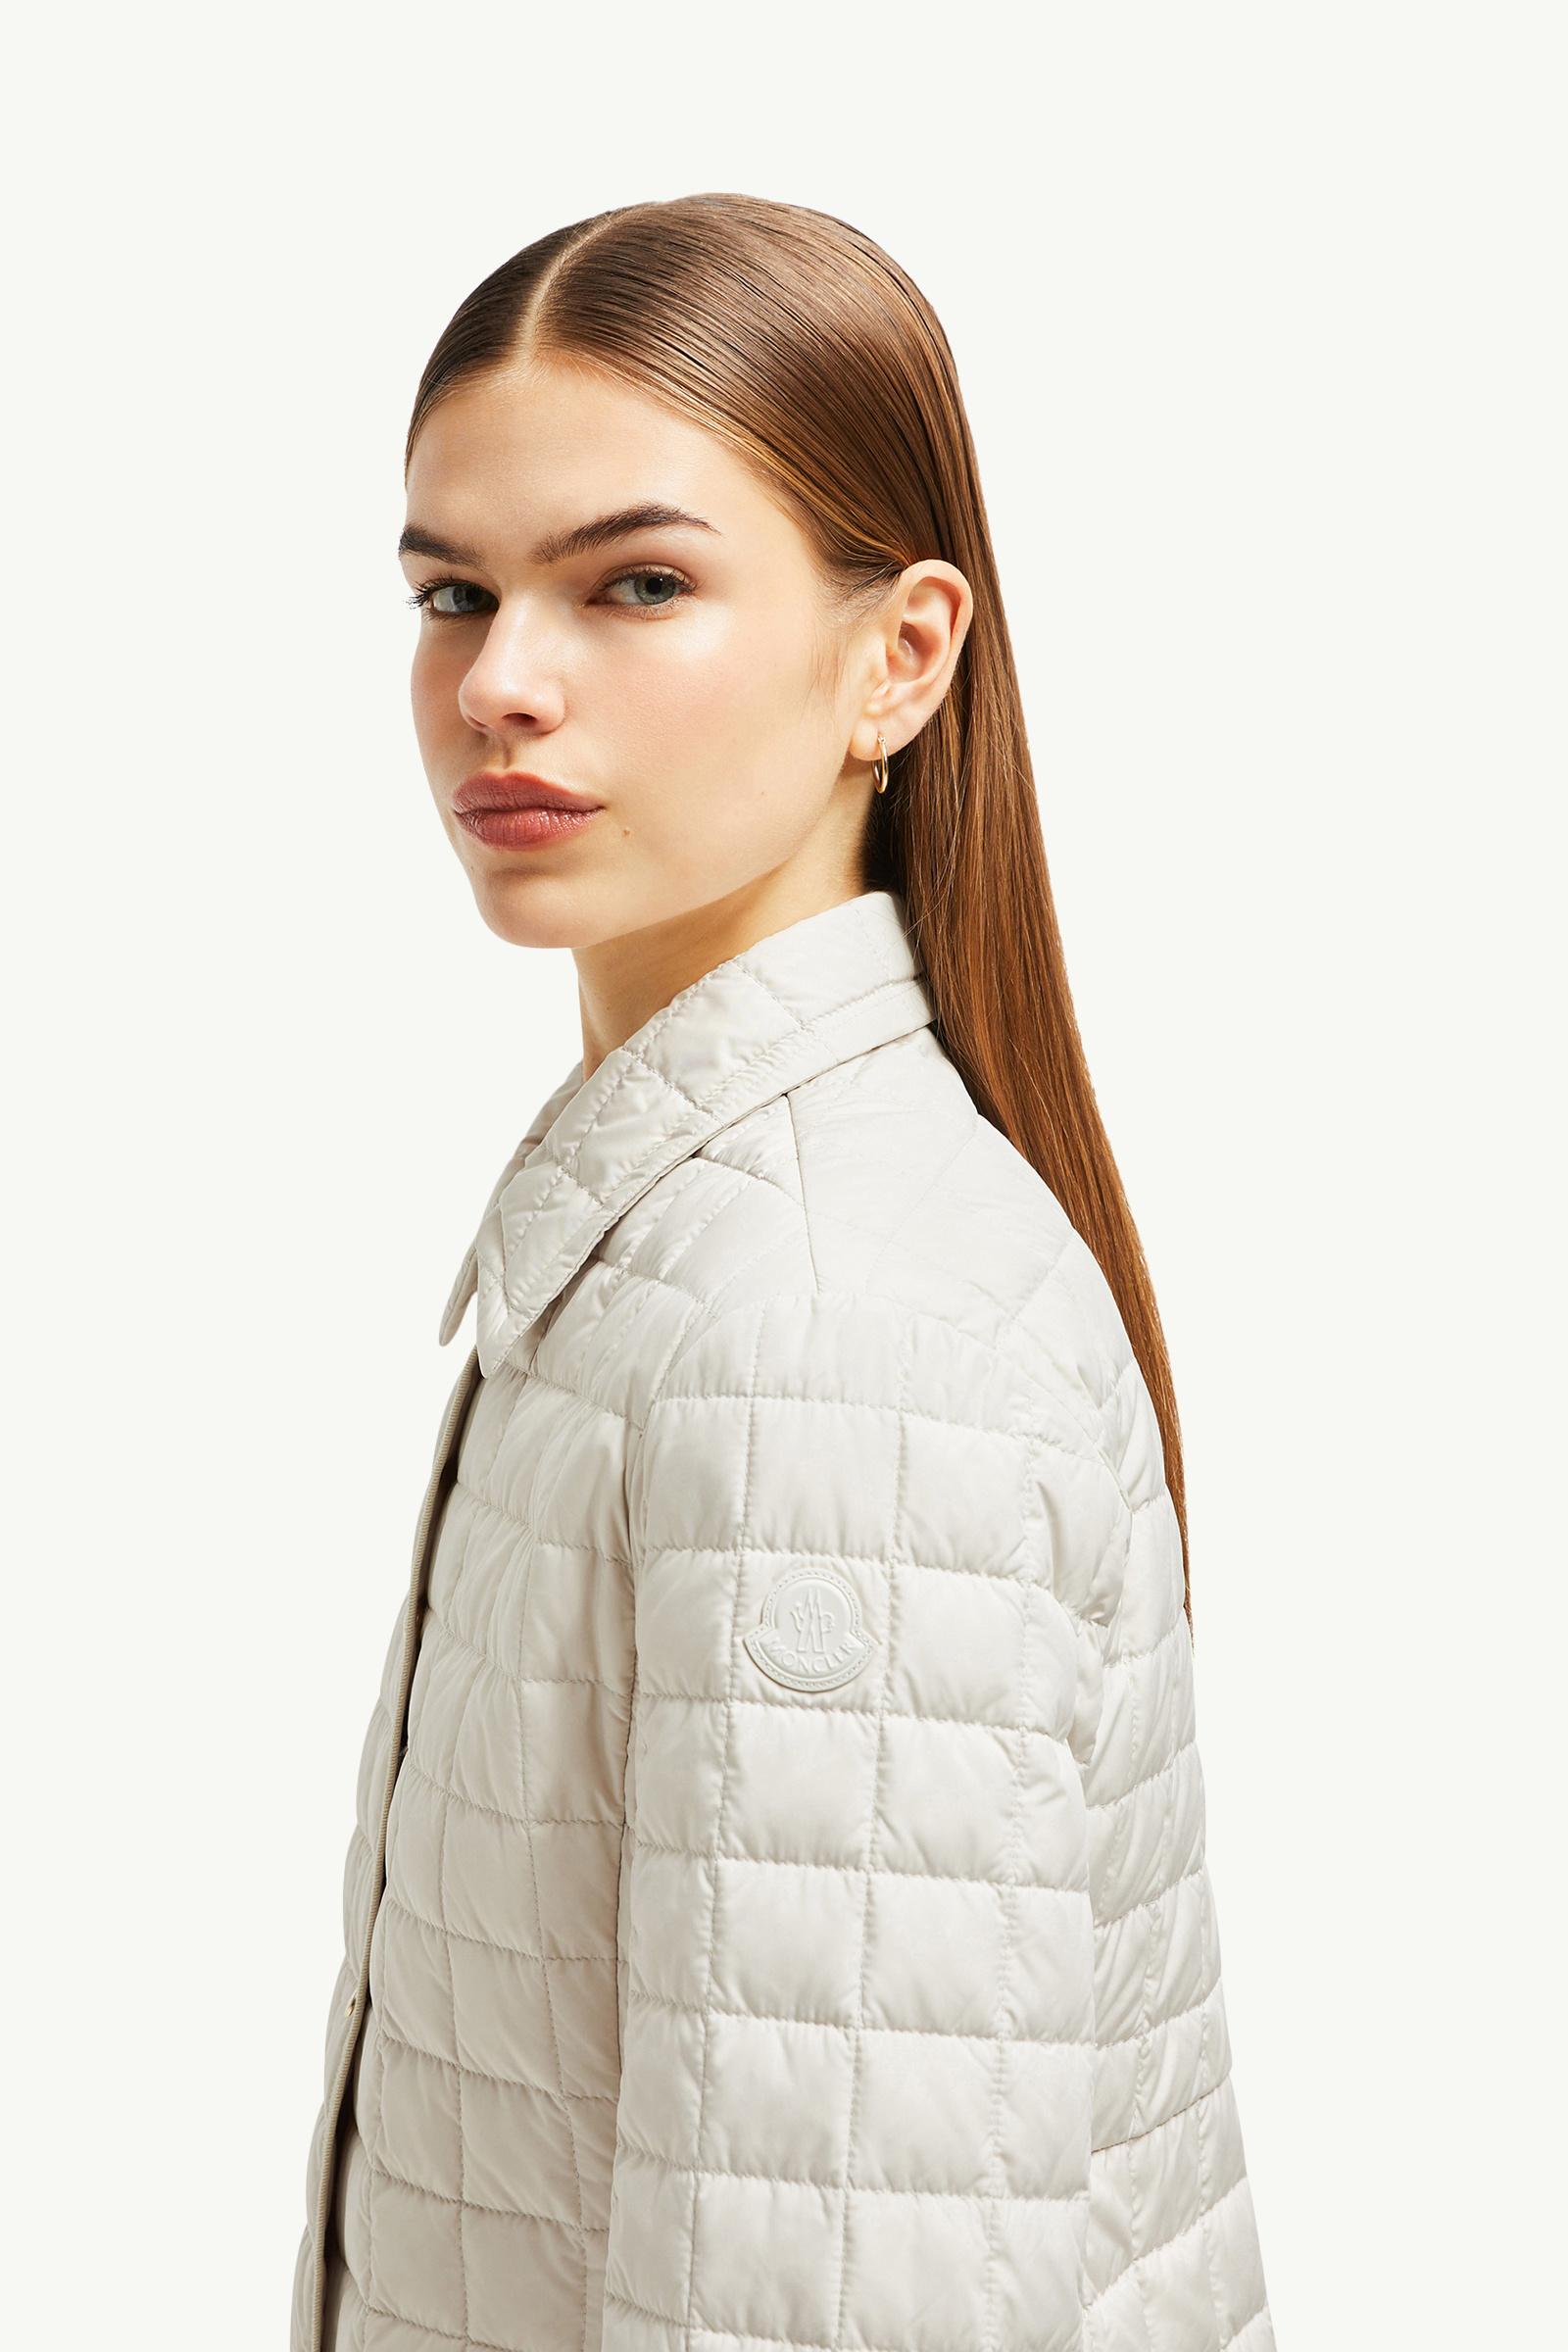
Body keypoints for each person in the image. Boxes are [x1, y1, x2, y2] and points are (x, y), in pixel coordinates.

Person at [291, 191, 1276, 2352]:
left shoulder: (830, 1337)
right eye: (452, 592)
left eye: (633, 583)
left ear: (898, 655)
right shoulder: (689, 1243)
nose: (500, 684)